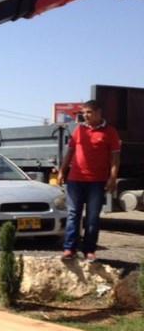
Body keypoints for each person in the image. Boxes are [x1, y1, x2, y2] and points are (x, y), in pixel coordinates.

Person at [57, 100, 120, 262]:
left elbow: (115, 157)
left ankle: (89, 251)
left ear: (99, 112)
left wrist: (112, 177)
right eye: (83, 112)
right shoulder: (79, 130)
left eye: (88, 112)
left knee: (92, 217)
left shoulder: (110, 132)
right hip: (75, 180)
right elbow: (69, 153)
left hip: (97, 182)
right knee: (73, 215)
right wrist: (62, 171)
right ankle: (69, 249)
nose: (85, 115)